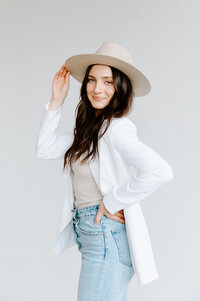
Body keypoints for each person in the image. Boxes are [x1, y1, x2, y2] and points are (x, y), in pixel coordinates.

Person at [36, 42, 174, 300]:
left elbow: (160, 171)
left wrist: (113, 201)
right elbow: (44, 149)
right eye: (91, 80)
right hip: (93, 235)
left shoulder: (116, 128)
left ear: (120, 87)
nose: (97, 89)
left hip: (105, 236)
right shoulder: (89, 131)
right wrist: (56, 101)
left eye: (107, 82)